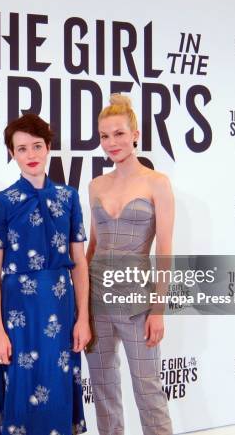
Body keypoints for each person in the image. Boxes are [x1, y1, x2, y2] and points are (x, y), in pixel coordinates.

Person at [0, 114, 91, 435]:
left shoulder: (69, 197)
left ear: (48, 148)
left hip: (60, 308)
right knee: (19, 391)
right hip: (18, 314)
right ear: (12, 154)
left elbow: (80, 264)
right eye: (21, 149)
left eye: (37, 146)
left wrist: (83, 318)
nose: (30, 155)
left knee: (57, 391)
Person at [85, 94, 174, 435]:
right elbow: (93, 246)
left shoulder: (157, 183)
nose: (112, 143)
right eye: (105, 136)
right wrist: (81, 308)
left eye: (119, 134)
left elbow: (164, 248)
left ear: (135, 134)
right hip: (96, 302)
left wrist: (159, 309)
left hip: (138, 302)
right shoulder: (95, 186)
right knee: (104, 390)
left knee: (148, 389)